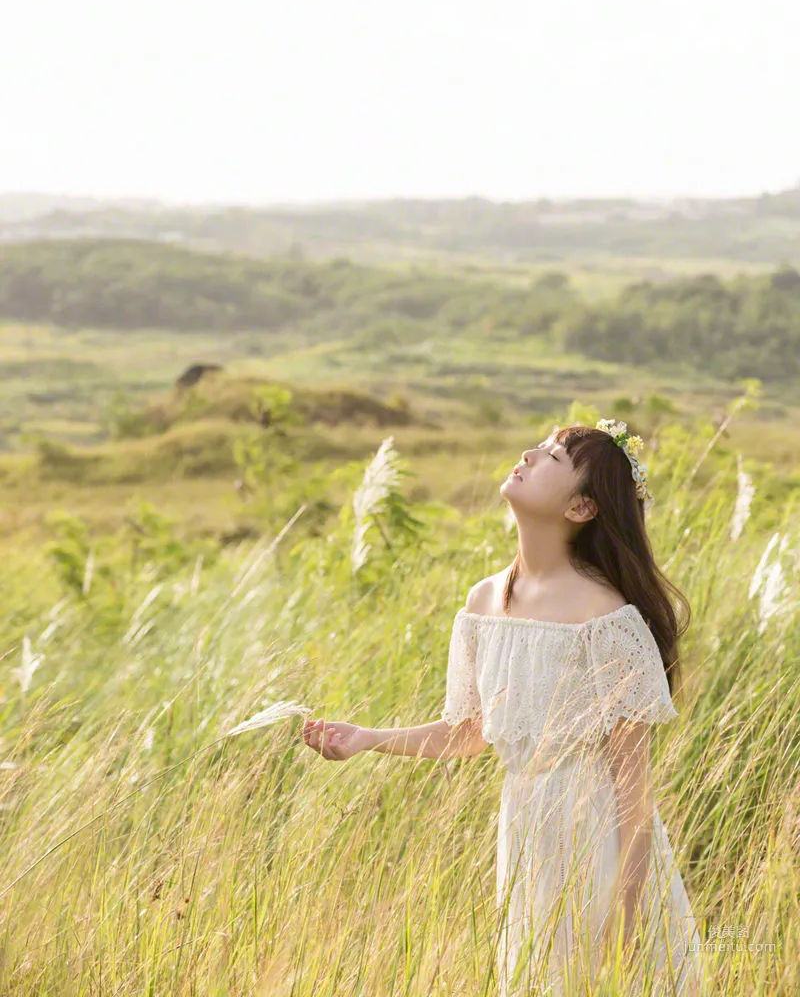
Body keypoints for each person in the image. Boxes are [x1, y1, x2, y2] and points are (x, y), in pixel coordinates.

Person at [300, 420, 704, 995]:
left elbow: (634, 797)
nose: (527, 455)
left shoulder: (607, 617)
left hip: (597, 838)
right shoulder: (484, 600)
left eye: (552, 458)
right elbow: (468, 732)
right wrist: (367, 737)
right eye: (536, 448)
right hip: (525, 830)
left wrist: (625, 914)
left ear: (583, 507)